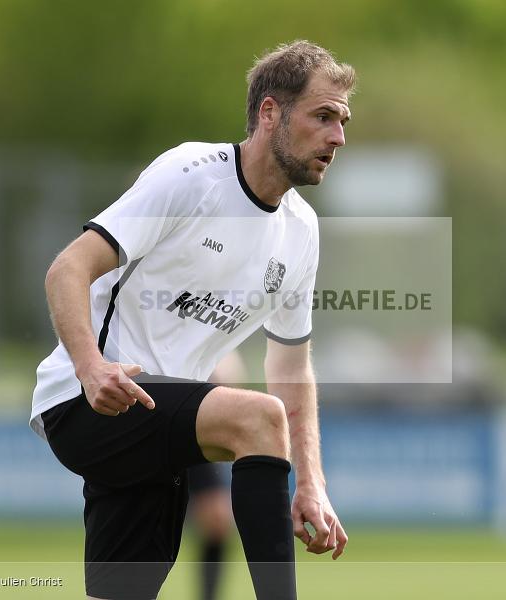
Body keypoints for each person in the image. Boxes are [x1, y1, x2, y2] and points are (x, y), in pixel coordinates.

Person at [29, 40, 354, 600]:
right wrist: (90, 367)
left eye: (344, 121)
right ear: (270, 112)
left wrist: (312, 484)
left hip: (162, 430)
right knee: (257, 417)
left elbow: (292, 367)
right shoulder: (191, 174)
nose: (338, 137)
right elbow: (66, 269)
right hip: (91, 401)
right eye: (323, 116)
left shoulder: (301, 229)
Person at [187, 351, 245, 600]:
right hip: (152, 417)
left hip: (198, 428)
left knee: (217, 520)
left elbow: (229, 375)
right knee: (143, 519)